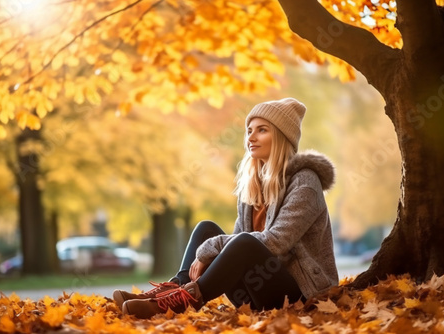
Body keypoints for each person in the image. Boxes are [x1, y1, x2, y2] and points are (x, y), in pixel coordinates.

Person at [113, 97, 338, 319]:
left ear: (281, 136)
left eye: (262, 130)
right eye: (249, 130)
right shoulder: (253, 185)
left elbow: (277, 242)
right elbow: (237, 243)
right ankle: (171, 291)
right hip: (252, 292)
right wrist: (211, 243)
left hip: (299, 296)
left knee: (240, 242)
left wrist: (211, 247)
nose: (251, 137)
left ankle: (184, 301)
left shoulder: (305, 182)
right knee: (206, 229)